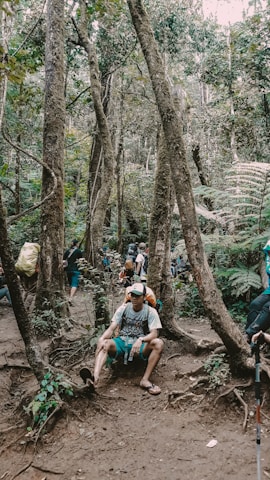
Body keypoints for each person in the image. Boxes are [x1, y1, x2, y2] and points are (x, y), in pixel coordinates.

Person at [79, 283, 164, 395]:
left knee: (158, 343)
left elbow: (154, 333)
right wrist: (102, 338)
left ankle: (145, 380)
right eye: (132, 295)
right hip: (122, 341)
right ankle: (94, 378)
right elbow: (112, 328)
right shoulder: (123, 309)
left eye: (137, 295)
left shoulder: (150, 311)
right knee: (105, 343)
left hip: (140, 346)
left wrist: (141, 339)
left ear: (144, 297)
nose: (134, 298)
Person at [245, 240, 270, 341]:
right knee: (255, 304)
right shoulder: (268, 258)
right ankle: (249, 334)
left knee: (267, 307)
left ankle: (252, 334)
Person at [63, 239, 83, 306]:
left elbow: (64, 260)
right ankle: (70, 298)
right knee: (74, 285)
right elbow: (81, 261)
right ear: (76, 244)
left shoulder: (67, 251)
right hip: (76, 270)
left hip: (68, 270)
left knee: (70, 284)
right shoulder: (78, 251)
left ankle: (69, 297)